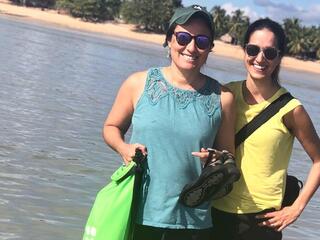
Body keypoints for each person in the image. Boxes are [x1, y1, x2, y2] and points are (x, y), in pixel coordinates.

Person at [103, 5, 235, 240]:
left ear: (210, 48)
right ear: (169, 40)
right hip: (137, 211)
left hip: (193, 222)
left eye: (202, 41)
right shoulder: (138, 83)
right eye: (183, 37)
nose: (191, 47)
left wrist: (215, 160)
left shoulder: (223, 98)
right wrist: (124, 148)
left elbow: (229, 158)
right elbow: (111, 128)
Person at [204, 18, 320, 240]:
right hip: (214, 211)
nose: (260, 58)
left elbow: (319, 160)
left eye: (269, 52)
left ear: (279, 57)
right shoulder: (224, 94)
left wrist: (296, 208)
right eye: (253, 49)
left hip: (261, 222)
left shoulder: (291, 109)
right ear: (244, 50)